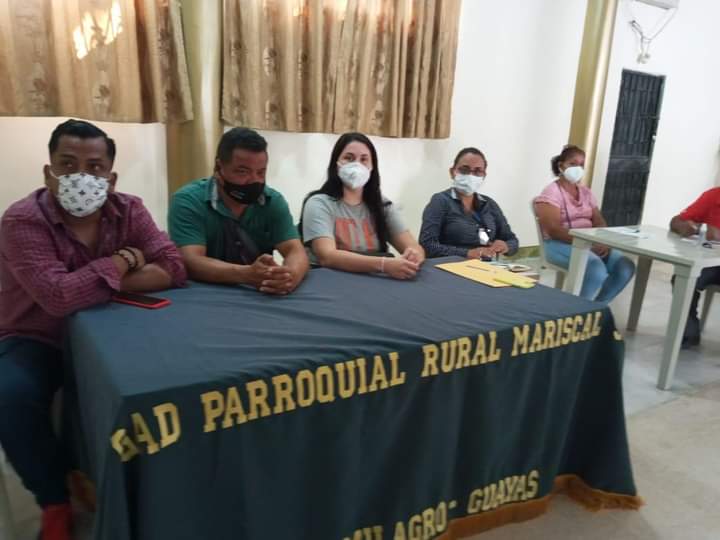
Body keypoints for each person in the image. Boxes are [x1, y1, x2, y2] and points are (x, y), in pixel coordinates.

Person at [0, 119, 186, 540]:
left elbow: (173, 268)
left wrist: (86, 282)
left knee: (163, 385)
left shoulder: (129, 209)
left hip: (115, 329)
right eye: (68, 164)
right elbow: (58, 298)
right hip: (38, 336)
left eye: (95, 167)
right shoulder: (21, 220)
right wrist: (123, 261)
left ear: (111, 178)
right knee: (9, 397)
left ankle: (143, 493)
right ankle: (54, 498)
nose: (81, 176)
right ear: (48, 172)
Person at [169, 128, 309, 294]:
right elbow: (190, 261)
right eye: (243, 172)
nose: (254, 180)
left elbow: (295, 250)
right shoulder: (188, 201)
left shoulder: (272, 201)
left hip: (258, 295)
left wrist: (290, 276)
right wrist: (246, 274)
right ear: (219, 167)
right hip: (202, 294)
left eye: (261, 172)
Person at [300, 132, 424, 279]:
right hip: (331, 279)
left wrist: (414, 255)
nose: (357, 165)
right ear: (336, 163)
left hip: (374, 280)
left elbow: (414, 247)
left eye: (364, 159)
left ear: (372, 167)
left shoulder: (383, 205)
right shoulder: (319, 203)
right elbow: (327, 256)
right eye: (349, 158)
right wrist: (384, 265)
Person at [534, 144, 635, 302]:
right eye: (573, 163)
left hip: (590, 243)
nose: (578, 168)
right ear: (561, 166)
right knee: (595, 269)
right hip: (559, 244)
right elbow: (553, 229)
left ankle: (597, 307)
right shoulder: (551, 192)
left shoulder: (586, 192)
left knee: (625, 267)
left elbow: (599, 220)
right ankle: (575, 310)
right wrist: (586, 243)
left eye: (581, 165)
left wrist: (602, 241)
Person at [419, 147, 518, 259]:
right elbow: (427, 245)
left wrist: (506, 246)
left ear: (484, 176)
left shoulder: (489, 204)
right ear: (452, 172)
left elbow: (512, 240)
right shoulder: (440, 201)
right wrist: (467, 253)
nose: (471, 175)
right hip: (451, 265)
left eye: (477, 171)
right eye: (464, 170)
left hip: (487, 265)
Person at [669, 187, 720, 347]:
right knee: (684, 277)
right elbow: (676, 220)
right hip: (713, 263)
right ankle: (688, 332)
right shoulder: (714, 195)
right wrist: (685, 227)